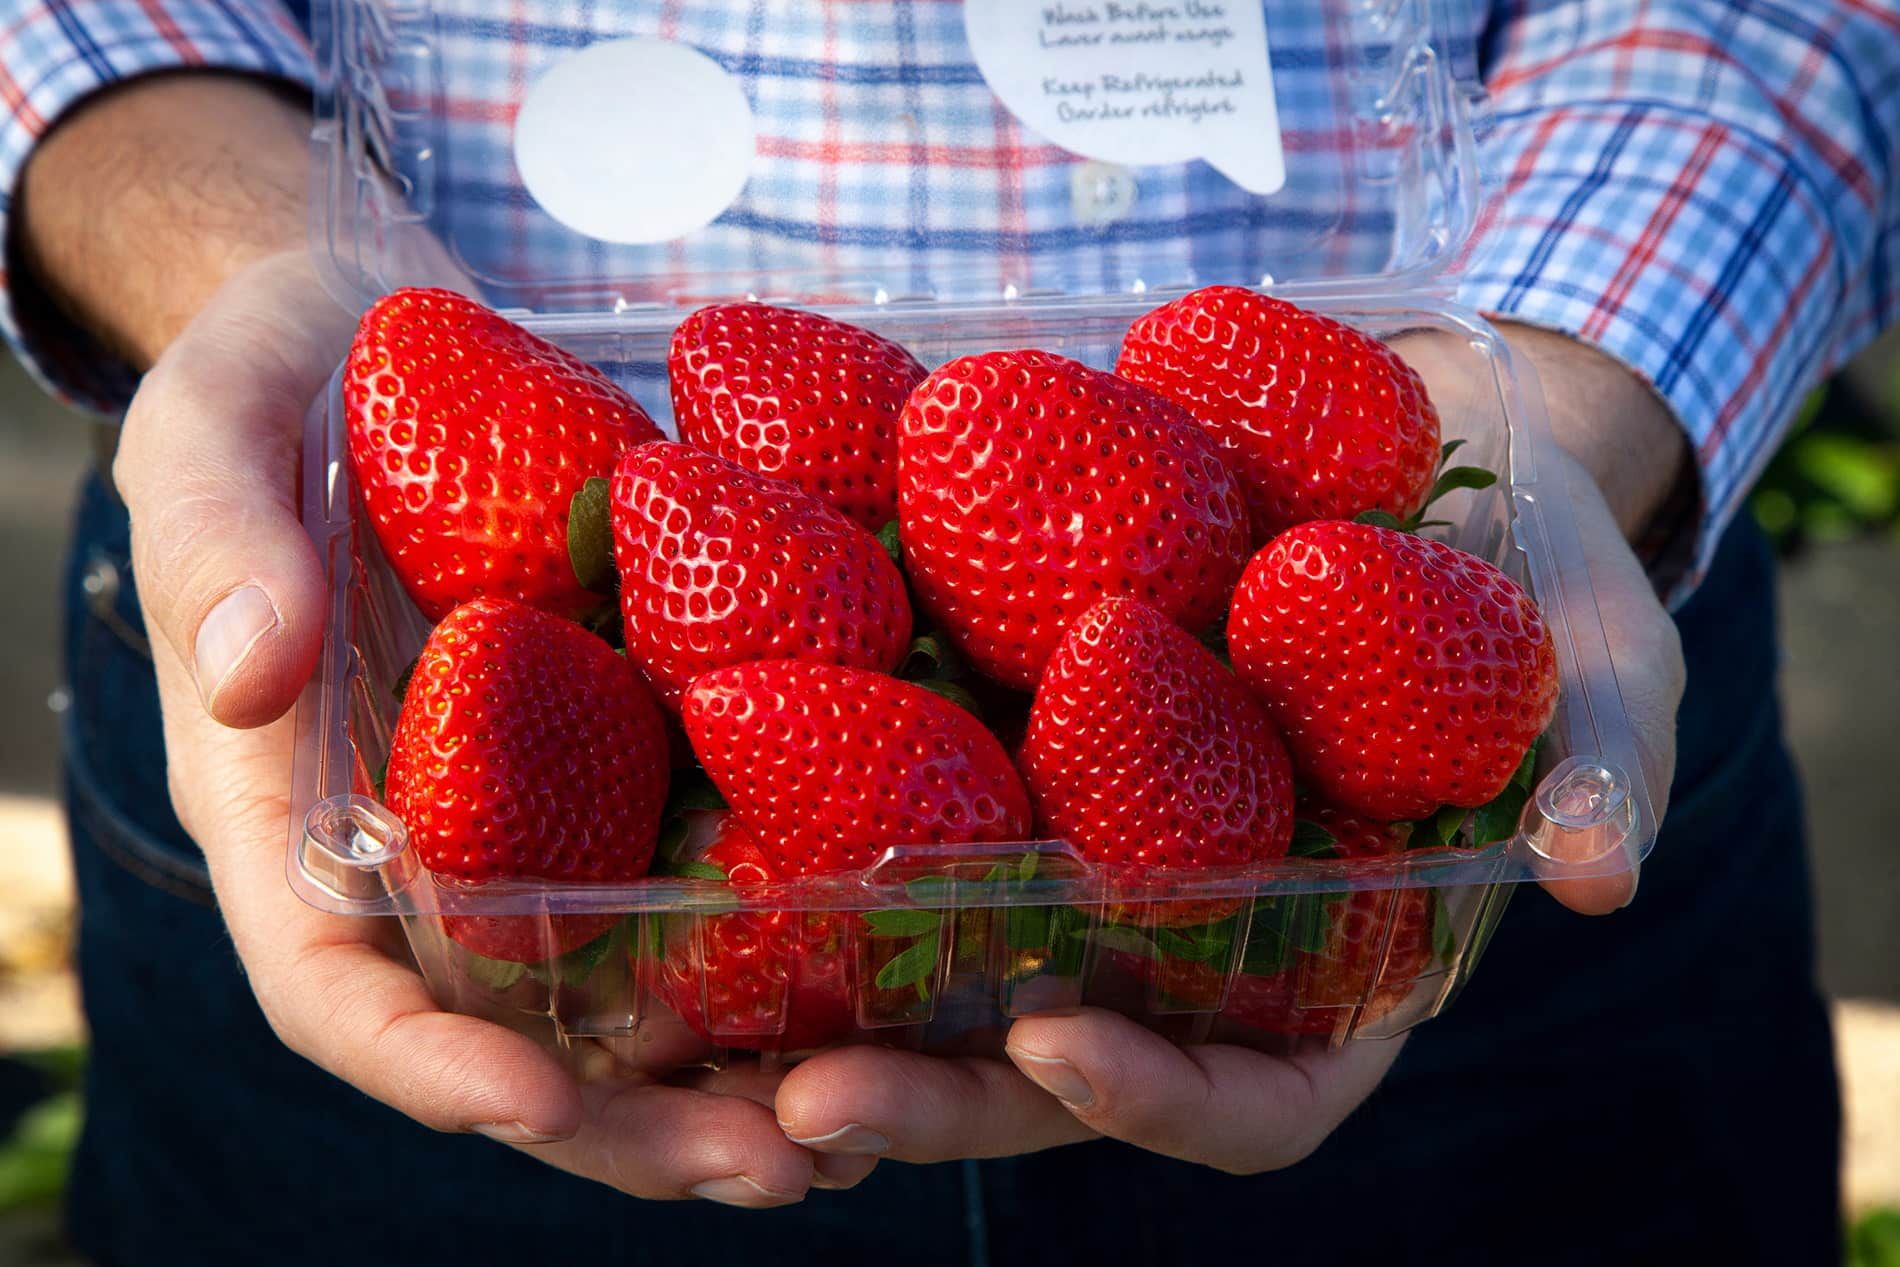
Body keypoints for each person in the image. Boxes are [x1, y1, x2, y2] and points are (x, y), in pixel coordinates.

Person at [2, 2, 1888, 1262]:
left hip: (1457, 797)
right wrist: (258, 269)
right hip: (420, 682)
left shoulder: (1324, 586)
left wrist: (1549, 419)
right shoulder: (580, 630)